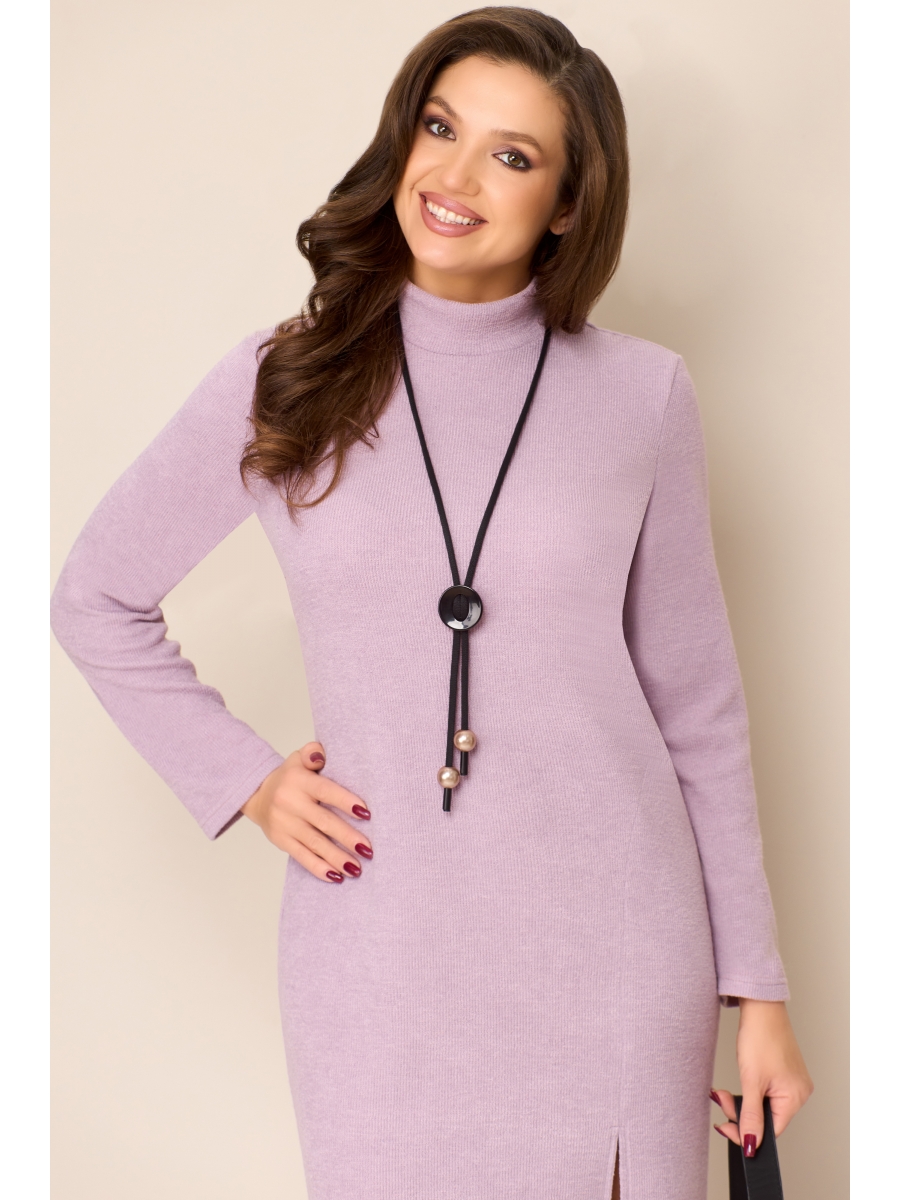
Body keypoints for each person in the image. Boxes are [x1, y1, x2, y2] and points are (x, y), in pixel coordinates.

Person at [50, 8, 813, 1199]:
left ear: (569, 204)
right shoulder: (283, 380)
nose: (455, 179)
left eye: (511, 154)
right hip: (383, 953)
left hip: (615, 948)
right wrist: (247, 780)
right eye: (440, 129)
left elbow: (698, 708)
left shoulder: (643, 397)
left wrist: (755, 992)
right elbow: (94, 596)